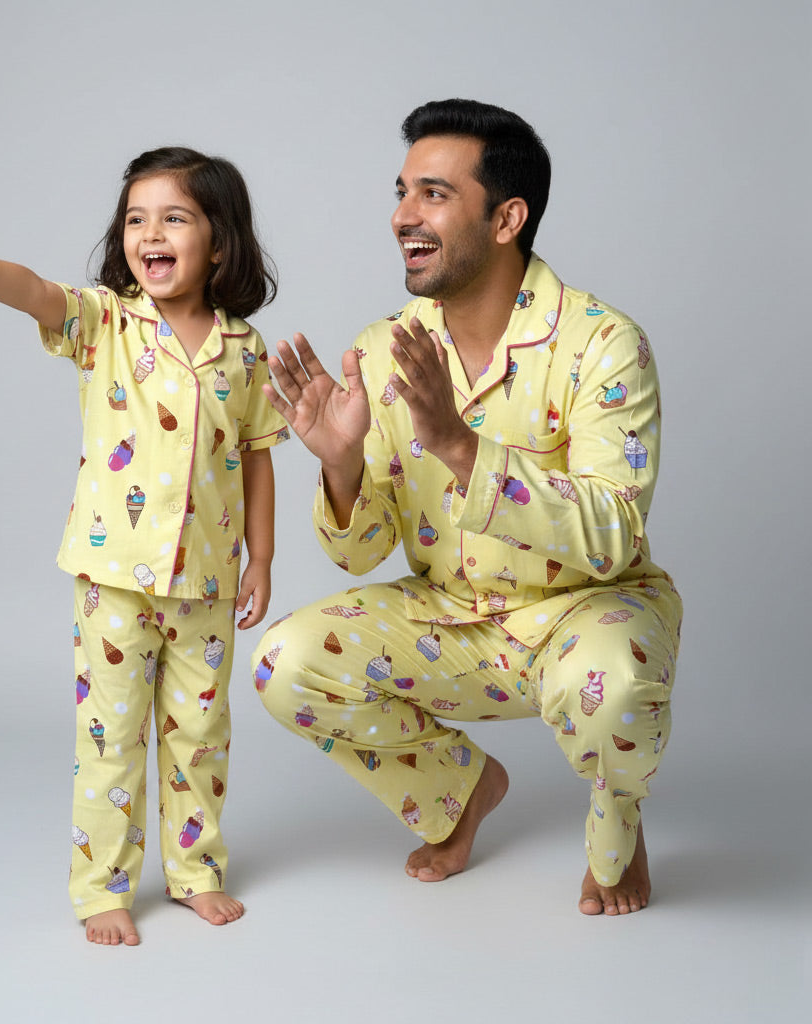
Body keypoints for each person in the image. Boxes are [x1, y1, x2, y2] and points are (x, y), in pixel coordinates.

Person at [253, 99, 682, 916]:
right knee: (287, 662)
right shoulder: (385, 348)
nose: (401, 216)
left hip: (583, 611)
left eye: (434, 195)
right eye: (402, 191)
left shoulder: (603, 343)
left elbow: (612, 534)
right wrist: (341, 465)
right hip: (452, 619)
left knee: (616, 687)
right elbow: (361, 553)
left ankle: (617, 828)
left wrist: (462, 447)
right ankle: (459, 792)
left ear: (506, 218)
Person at [0, 146, 288, 945]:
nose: (151, 232)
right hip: (112, 578)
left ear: (220, 240)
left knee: (200, 738)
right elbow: (34, 291)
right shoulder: (106, 322)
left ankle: (195, 871)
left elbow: (257, 459)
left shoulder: (245, 350)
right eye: (136, 218)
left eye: (174, 217)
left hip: (207, 583)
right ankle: (103, 887)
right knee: (109, 740)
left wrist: (264, 559)